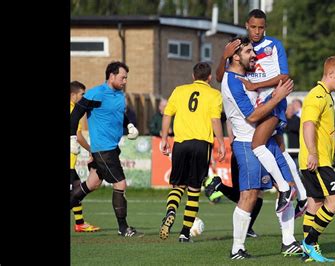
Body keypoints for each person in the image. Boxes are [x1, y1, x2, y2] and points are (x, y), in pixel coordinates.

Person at [215, 8, 307, 215]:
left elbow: (284, 75)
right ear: (247, 26)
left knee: (258, 144)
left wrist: (256, 86)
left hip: (273, 101)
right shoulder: (241, 48)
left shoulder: (274, 45)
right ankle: (301, 198)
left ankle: (289, 191)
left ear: (265, 28)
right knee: (280, 150)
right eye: (253, 27)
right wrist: (224, 57)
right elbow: (221, 77)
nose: (257, 31)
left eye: (261, 28)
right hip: (259, 103)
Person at [219, 36, 298, 259]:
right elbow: (252, 115)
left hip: (266, 139)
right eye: (248, 52)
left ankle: (288, 241)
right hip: (247, 143)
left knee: (289, 186)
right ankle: (237, 248)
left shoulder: (245, 76)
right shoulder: (232, 81)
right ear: (235, 56)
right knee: (250, 195)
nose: (254, 55)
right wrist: (277, 97)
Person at [70, 61, 143, 237]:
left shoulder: (119, 95)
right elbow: (75, 115)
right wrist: (72, 137)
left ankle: (122, 227)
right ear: (111, 76)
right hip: (103, 149)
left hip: (112, 147)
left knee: (92, 183)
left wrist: (130, 125)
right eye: (122, 77)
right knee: (120, 183)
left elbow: (120, 114)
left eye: (126, 78)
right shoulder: (96, 93)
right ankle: (123, 227)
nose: (125, 81)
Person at [159, 62, 226, 243]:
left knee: (178, 185)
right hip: (201, 145)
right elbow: (215, 121)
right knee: (194, 190)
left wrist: (165, 138)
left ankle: (171, 211)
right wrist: (221, 142)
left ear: (193, 76)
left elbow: (167, 115)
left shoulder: (179, 90)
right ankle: (184, 234)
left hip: (180, 144)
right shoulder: (214, 94)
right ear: (210, 77)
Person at [299, 56, 335, 262]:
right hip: (317, 161)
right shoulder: (317, 96)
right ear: (330, 74)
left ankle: (307, 253)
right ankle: (309, 243)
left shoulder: (327, 96)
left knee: (316, 204)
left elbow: (329, 130)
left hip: (319, 159)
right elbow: (308, 125)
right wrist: (313, 152)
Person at [69, 81, 100, 233]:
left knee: (76, 188)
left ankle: (80, 223)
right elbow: (79, 136)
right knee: (74, 191)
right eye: (82, 94)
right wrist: (91, 149)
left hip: (71, 161)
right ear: (73, 95)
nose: (84, 97)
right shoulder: (73, 109)